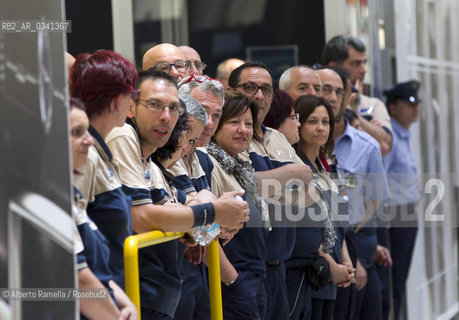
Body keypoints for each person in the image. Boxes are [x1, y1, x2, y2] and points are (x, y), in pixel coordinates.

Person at [105, 69, 248, 319]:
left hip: (161, 293)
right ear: (130, 108)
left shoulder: (155, 163)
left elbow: (192, 221)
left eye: (173, 109)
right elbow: (145, 217)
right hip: (136, 292)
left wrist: (215, 223)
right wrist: (214, 214)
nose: (166, 117)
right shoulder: (124, 136)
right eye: (154, 105)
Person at [229, 61, 316, 320]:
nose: (259, 96)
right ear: (232, 91)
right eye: (249, 87)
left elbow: (311, 196)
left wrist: (273, 185)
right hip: (247, 270)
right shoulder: (230, 137)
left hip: (281, 269)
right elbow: (241, 188)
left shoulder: (276, 137)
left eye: (266, 89)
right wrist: (290, 175)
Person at [317, 67, 390, 320]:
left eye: (339, 91)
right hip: (315, 254)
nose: (333, 97)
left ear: (348, 97)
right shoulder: (298, 143)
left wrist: (350, 242)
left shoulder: (366, 145)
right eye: (325, 89)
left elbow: (375, 199)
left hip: (354, 241)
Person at [70, 50, 138, 290]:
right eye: (133, 94)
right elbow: (75, 249)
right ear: (117, 101)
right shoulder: (85, 156)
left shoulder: (99, 151)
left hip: (113, 294)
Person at [206, 92, 269, 319]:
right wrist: (232, 279)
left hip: (253, 276)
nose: (243, 129)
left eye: (249, 123)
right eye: (234, 122)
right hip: (231, 279)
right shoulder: (208, 162)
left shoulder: (241, 164)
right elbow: (204, 228)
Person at [291, 95, 354, 320]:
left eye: (325, 122)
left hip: (333, 276)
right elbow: (305, 229)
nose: (320, 128)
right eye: (312, 121)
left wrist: (345, 262)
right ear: (298, 123)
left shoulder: (327, 168)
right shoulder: (294, 168)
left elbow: (339, 225)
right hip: (311, 275)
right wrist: (332, 266)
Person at [172, 75, 227, 320]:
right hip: (170, 273)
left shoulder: (201, 158)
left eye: (217, 115)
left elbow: (206, 223)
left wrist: (213, 226)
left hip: (199, 273)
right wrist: (216, 225)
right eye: (203, 111)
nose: (210, 122)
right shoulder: (165, 154)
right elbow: (204, 224)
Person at [382, 80, 422, 320]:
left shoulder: (404, 135)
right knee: (394, 281)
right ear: (393, 107)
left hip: (407, 213)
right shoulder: (391, 139)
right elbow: (380, 179)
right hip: (394, 216)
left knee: (401, 279)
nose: (415, 108)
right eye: (409, 103)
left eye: (417, 103)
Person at [321, 35, 393, 156]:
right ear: (333, 67)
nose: (363, 70)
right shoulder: (318, 102)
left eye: (364, 63)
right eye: (356, 64)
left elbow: (384, 146)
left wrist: (349, 111)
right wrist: (369, 128)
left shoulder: (373, 104)